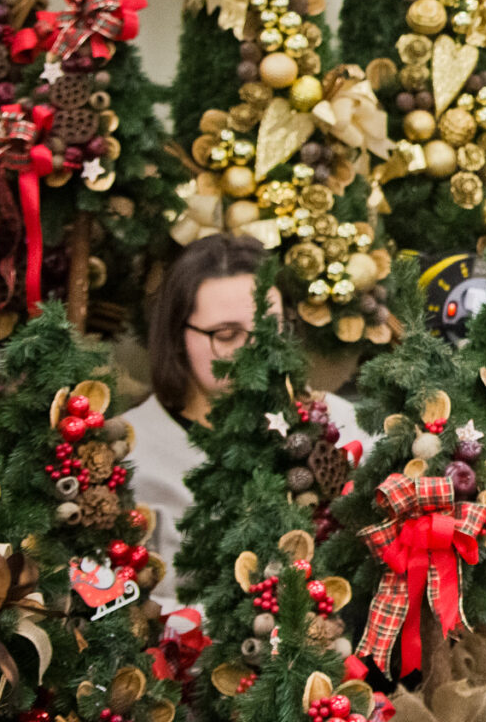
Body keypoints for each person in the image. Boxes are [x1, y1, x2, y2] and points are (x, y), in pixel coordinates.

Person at [124, 235, 360, 605]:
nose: (257, 350)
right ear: (176, 336)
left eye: (272, 327)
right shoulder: (131, 454)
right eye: (228, 335)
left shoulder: (341, 425)